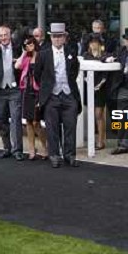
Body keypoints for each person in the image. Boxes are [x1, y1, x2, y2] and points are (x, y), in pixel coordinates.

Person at [34, 22, 81, 168]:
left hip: (69, 95)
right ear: (51, 38)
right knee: (52, 128)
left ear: (65, 37)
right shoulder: (43, 54)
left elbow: (74, 71)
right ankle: (54, 155)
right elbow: (37, 75)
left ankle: (70, 156)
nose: (57, 39)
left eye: (60, 36)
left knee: (70, 127)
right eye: (54, 36)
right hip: (51, 96)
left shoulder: (71, 52)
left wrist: (68, 86)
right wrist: (47, 89)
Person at [0, 25, 24, 161]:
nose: (3, 37)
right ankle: (6, 148)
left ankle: (17, 150)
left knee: (16, 120)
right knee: (1, 120)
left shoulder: (17, 47)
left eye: (5, 35)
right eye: (0, 35)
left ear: (10, 35)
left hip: (15, 90)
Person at [15, 36, 47, 160]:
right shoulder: (26, 57)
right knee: (28, 121)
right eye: (26, 45)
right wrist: (23, 53)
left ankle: (45, 147)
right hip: (27, 91)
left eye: (30, 43)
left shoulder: (41, 56)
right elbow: (17, 66)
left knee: (36, 122)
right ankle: (32, 149)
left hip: (38, 91)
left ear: (35, 43)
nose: (28, 46)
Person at [82, 33, 112, 151]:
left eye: (96, 42)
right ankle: (91, 140)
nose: (94, 44)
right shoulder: (86, 55)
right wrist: (89, 83)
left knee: (99, 114)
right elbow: (84, 72)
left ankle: (101, 140)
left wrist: (99, 85)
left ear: (100, 44)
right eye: (92, 42)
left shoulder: (105, 55)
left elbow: (106, 75)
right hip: (88, 87)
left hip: (100, 89)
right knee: (89, 114)